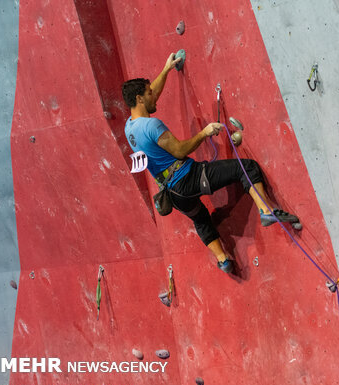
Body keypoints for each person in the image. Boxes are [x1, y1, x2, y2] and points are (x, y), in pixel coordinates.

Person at [121, 53, 299, 274]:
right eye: (148, 94)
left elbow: (152, 94)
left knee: (200, 217)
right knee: (247, 168)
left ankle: (223, 260)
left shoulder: (130, 128)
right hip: (188, 178)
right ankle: (266, 210)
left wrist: (167, 69)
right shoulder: (152, 125)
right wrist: (205, 133)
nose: (153, 96)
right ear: (139, 99)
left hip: (172, 194)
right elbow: (179, 150)